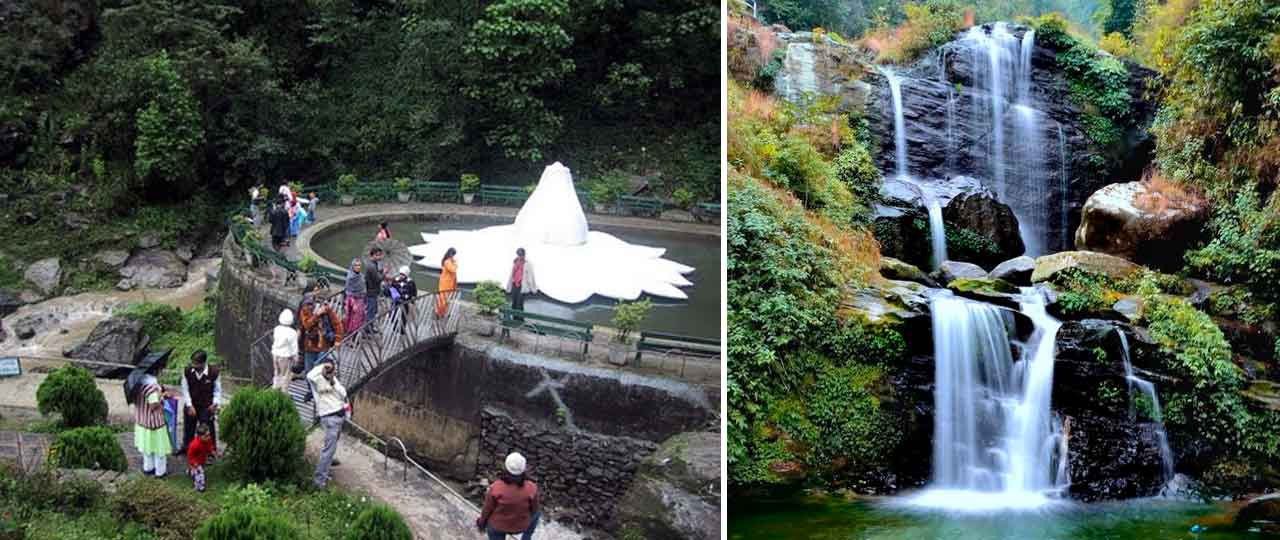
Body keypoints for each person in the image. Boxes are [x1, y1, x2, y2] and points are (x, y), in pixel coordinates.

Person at [477, 452, 540, 540]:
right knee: (537, 513)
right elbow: (534, 510)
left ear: (506, 468)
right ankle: (527, 537)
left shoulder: (495, 488)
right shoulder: (532, 488)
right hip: (520, 527)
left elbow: (486, 510)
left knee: (491, 526)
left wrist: (481, 524)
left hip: (498, 526)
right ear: (524, 470)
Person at [309, 361, 349, 488]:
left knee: (332, 443)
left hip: (339, 416)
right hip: (330, 418)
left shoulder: (333, 379)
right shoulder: (316, 380)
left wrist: (332, 380)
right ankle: (319, 481)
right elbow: (309, 375)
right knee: (328, 449)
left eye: (332, 368)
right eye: (327, 368)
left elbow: (343, 394)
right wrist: (323, 368)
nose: (330, 370)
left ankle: (329, 461)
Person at [300, 288, 344, 402]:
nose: (310, 306)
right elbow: (307, 325)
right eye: (308, 303)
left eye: (312, 303)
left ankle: (320, 393)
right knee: (309, 372)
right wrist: (316, 315)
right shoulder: (305, 311)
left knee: (319, 367)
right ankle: (311, 391)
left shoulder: (327, 310)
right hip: (309, 345)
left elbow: (337, 324)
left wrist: (338, 339)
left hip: (323, 344)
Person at [132, 353, 172, 477]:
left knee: (147, 447)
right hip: (154, 422)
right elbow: (154, 404)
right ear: (156, 370)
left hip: (142, 420)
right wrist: (162, 397)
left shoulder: (138, 383)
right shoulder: (152, 387)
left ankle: (148, 468)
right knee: (159, 449)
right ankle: (160, 472)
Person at [178, 350, 222, 456]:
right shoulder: (187, 371)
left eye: (196, 364)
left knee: (207, 429)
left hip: (206, 406)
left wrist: (215, 403)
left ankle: (211, 451)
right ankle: (187, 448)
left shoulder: (214, 372)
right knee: (188, 428)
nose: (194, 365)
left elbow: (217, 390)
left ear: (203, 363)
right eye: (192, 363)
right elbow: (185, 389)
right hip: (191, 404)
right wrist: (189, 405)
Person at [271, 309, 298, 391]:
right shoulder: (292, 332)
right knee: (285, 374)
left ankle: (275, 388)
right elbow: (294, 346)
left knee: (277, 372)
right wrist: (295, 356)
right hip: (285, 356)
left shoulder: (277, 329)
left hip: (275, 354)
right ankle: (283, 391)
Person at [505, 248, 537, 313]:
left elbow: (531, 276)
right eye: (519, 255)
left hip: (522, 285)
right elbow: (512, 274)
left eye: (521, 255)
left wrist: (533, 288)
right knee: (514, 302)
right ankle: (514, 319)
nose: (520, 256)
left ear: (524, 255)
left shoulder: (528, 264)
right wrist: (509, 285)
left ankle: (520, 320)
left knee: (519, 303)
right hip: (514, 284)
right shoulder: (515, 261)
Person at [388, 265, 417, 335]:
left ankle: (402, 330)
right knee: (393, 315)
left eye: (403, 275)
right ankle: (395, 327)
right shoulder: (395, 280)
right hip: (396, 301)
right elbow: (391, 289)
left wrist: (412, 301)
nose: (401, 276)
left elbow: (414, 292)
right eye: (400, 274)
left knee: (404, 316)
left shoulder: (410, 282)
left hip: (405, 302)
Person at [187, 423, 214, 492]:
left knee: (197, 471)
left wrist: (212, 451)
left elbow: (209, 446)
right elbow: (190, 456)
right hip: (195, 462)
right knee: (200, 474)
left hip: (202, 460)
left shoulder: (208, 440)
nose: (208, 437)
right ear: (199, 436)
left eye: (209, 435)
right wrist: (193, 463)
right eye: (206, 436)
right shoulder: (194, 445)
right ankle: (200, 487)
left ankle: (191, 472)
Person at [364, 248, 386, 332]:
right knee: (371, 311)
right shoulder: (371, 266)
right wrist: (384, 273)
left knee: (373, 310)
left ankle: (370, 328)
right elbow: (377, 279)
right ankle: (367, 330)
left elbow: (375, 275)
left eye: (380, 254)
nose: (380, 257)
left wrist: (381, 271)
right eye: (378, 255)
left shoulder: (374, 264)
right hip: (371, 292)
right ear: (372, 255)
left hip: (373, 291)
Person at [343, 258, 367, 334]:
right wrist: (353, 302)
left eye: (359, 265)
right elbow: (348, 290)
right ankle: (350, 333)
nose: (358, 267)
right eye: (356, 265)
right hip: (352, 300)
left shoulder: (360, 275)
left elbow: (363, 286)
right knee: (351, 318)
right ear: (352, 266)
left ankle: (355, 333)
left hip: (360, 299)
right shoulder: (351, 277)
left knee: (359, 317)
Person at [436, 248, 458, 318]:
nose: (453, 256)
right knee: (443, 299)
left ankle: (442, 313)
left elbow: (454, 274)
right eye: (453, 254)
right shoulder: (447, 262)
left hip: (449, 283)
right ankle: (438, 313)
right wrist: (455, 263)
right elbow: (453, 270)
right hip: (445, 283)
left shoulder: (450, 261)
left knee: (446, 300)